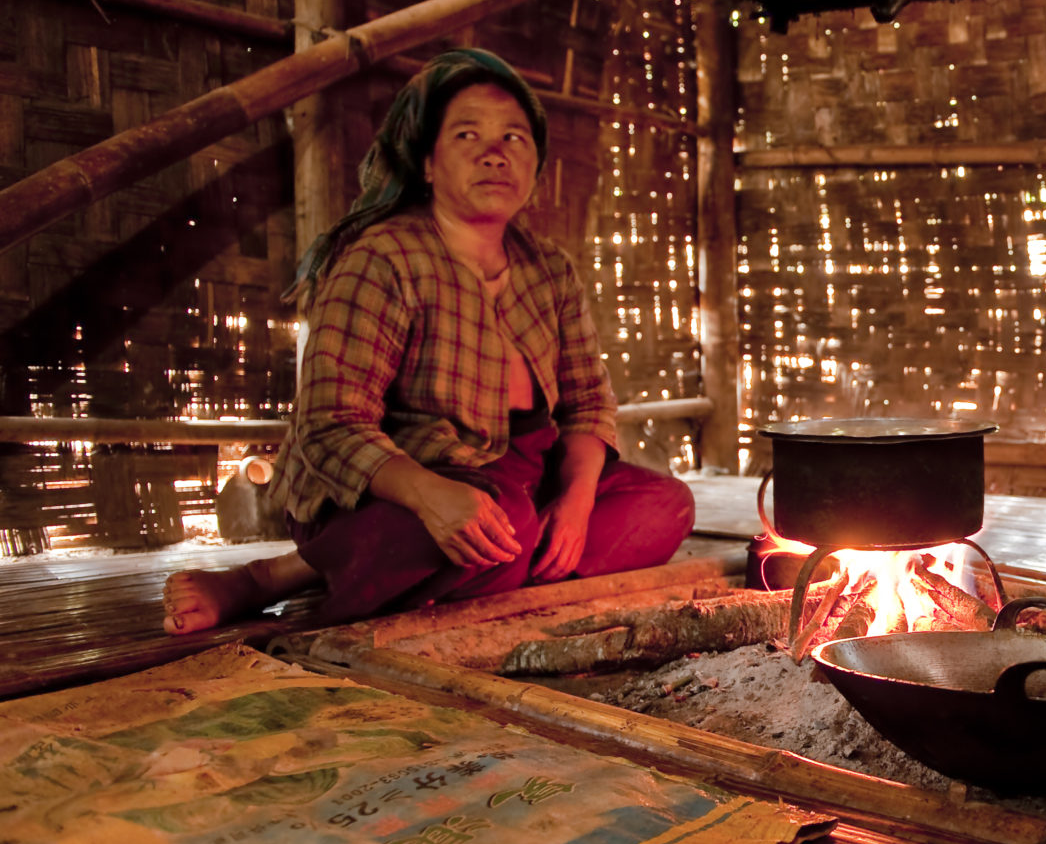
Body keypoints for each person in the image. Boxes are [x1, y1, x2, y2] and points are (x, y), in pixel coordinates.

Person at [164, 49, 696, 633]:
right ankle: (273, 577)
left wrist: (574, 506)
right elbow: (329, 424)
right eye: (468, 134)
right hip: (397, 491)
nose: (495, 153)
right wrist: (429, 495)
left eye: (514, 138)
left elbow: (589, 407)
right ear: (425, 161)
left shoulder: (549, 269)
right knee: (502, 528)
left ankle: (482, 568)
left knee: (665, 505)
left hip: (523, 483)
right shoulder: (382, 259)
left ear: (537, 164)